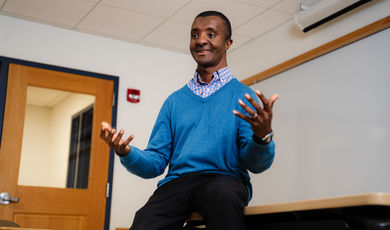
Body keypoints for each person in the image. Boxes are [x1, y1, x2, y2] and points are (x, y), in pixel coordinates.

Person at [100, 10, 279, 230]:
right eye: (195, 35)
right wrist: (125, 152)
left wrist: (262, 139)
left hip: (224, 180)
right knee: (144, 221)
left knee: (224, 197)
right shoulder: (174, 102)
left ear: (228, 43)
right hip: (178, 183)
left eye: (211, 34)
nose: (201, 40)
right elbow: (155, 162)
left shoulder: (244, 97)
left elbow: (256, 165)